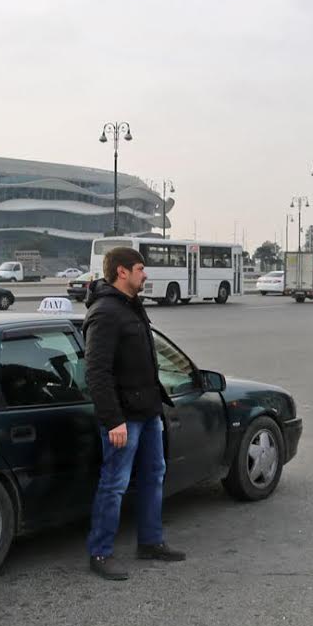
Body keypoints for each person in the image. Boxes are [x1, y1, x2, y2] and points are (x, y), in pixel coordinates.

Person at [83, 247, 186, 581]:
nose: (146, 275)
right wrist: (113, 419)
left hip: (148, 411)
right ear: (122, 272)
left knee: (154, 476)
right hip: (123, 417)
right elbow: (97, 372)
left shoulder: (131, 306)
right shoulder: (106, 312)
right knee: (114, 484)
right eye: (141, 268)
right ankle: (100, 552)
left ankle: (151, 541)